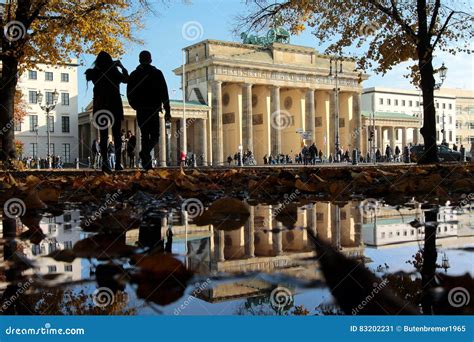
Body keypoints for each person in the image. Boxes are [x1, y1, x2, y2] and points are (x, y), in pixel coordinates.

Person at [127, 50, 171, 171]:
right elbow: (164, 93)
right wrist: (168, 110)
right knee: (155, 135)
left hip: (141, 110)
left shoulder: (134, 74)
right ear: (150, 60)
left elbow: (129, 93)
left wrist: (135, 106)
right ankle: (145, 154)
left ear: (140, 60)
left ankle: (147, 164)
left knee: (145, 136)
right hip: (153, 109)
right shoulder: (157, 73)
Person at [85, 51, 128, 173]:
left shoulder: (94, 73)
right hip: (114, 104)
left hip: (100, 106)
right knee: (117, 135)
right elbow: (126, 79)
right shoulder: (114, 71)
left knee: (103, 136)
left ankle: (105, 164)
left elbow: (90, 76)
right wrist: (121, 66)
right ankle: (118, 163)